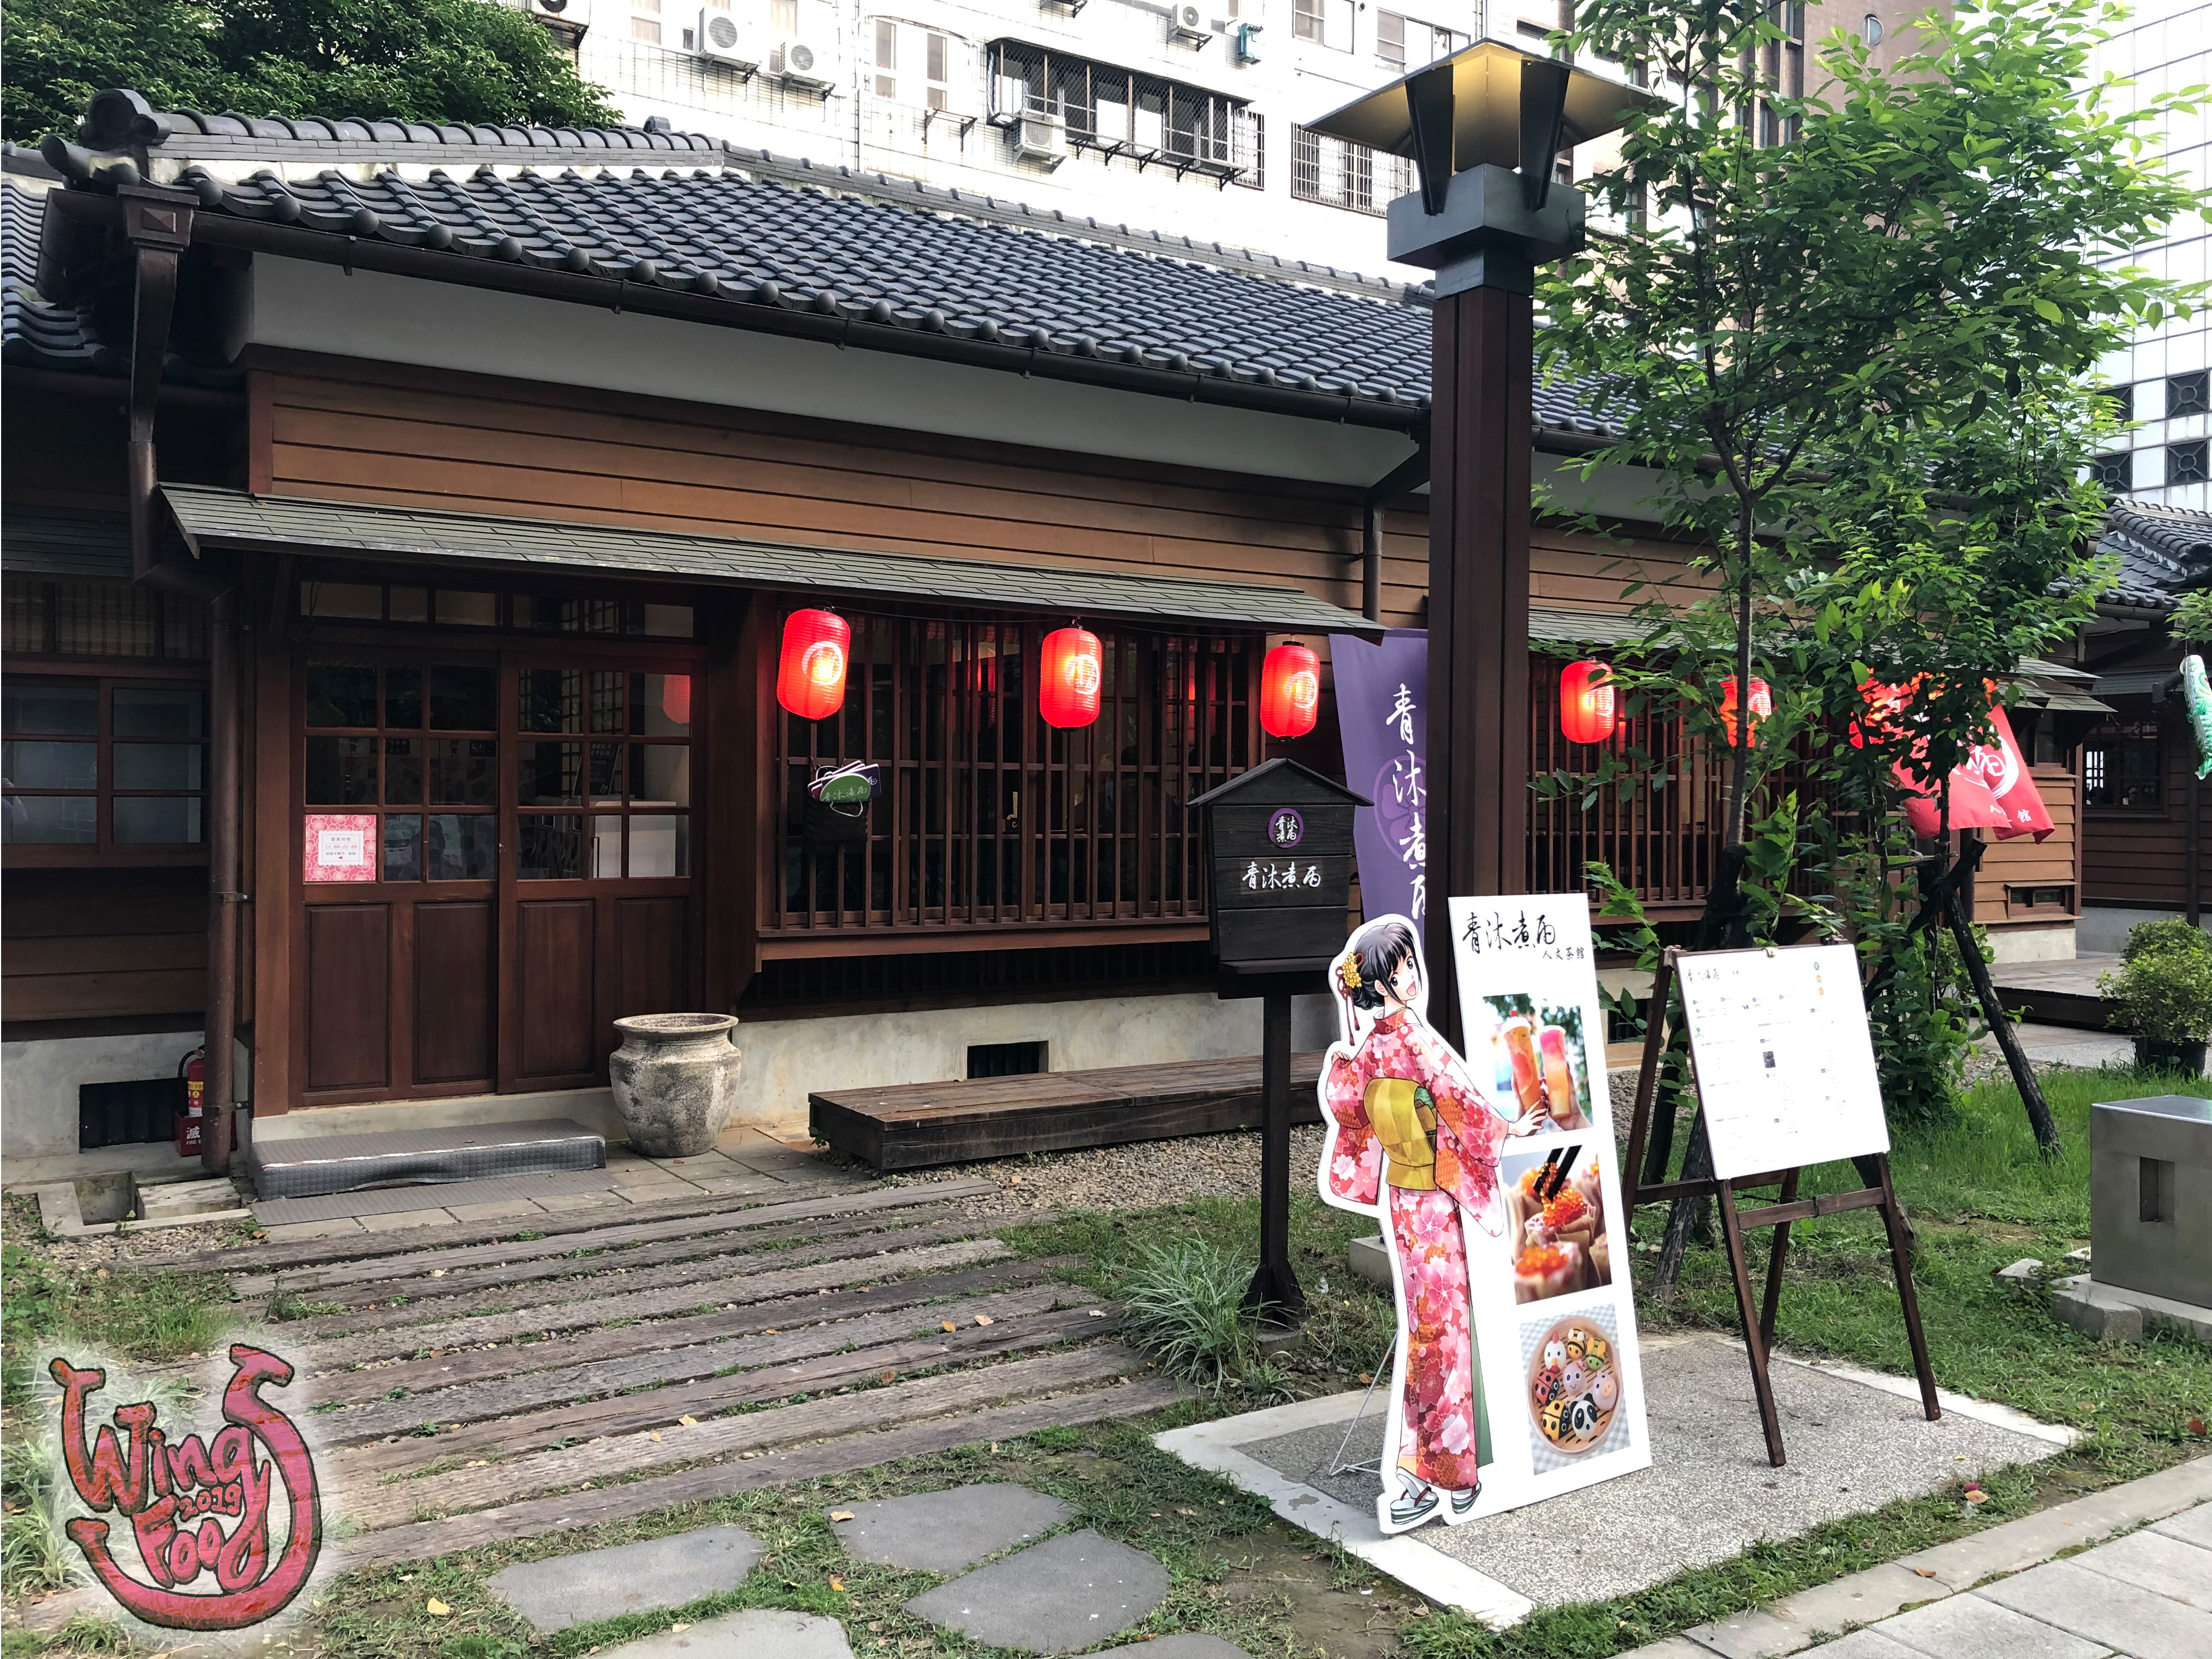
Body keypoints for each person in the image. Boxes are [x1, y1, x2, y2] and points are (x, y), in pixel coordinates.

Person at [1319, 917, 1547, 1530]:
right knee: (1441, 1332)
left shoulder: (1369, 1051)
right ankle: (1446, 1475)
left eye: (1411, 967)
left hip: (1404, 1195)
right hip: (1433, 1201)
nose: (1414, 978)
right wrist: (1507, 1131)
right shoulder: (1414, 1043)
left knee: (1430, 1331)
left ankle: (1428, 1473)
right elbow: (1462, 1104)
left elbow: (1353, 1111)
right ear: (1382, 988)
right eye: (1403, 973)